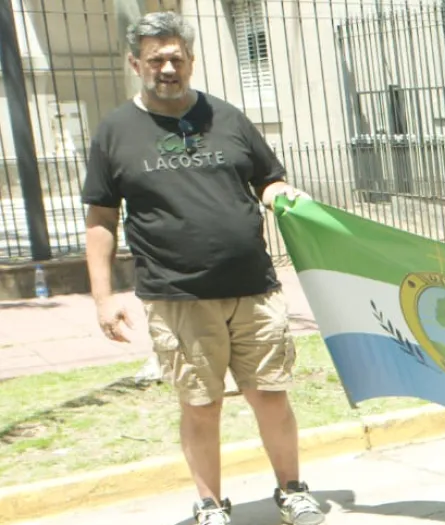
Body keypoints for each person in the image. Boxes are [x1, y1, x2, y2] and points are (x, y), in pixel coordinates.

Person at [81, 11, 324, 525]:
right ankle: (210, 504)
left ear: (191, 60)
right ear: (135, 63)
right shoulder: (115, 131)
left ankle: (292, 490)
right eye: (155, 59)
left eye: (176, 57)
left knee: (271, 396)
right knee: (200, 404)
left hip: (254, 290)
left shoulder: (228, 117)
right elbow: (101, 219)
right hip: (177, 297)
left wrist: (284, 196)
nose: (167, 68)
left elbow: (267, 180)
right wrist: (103, 297)